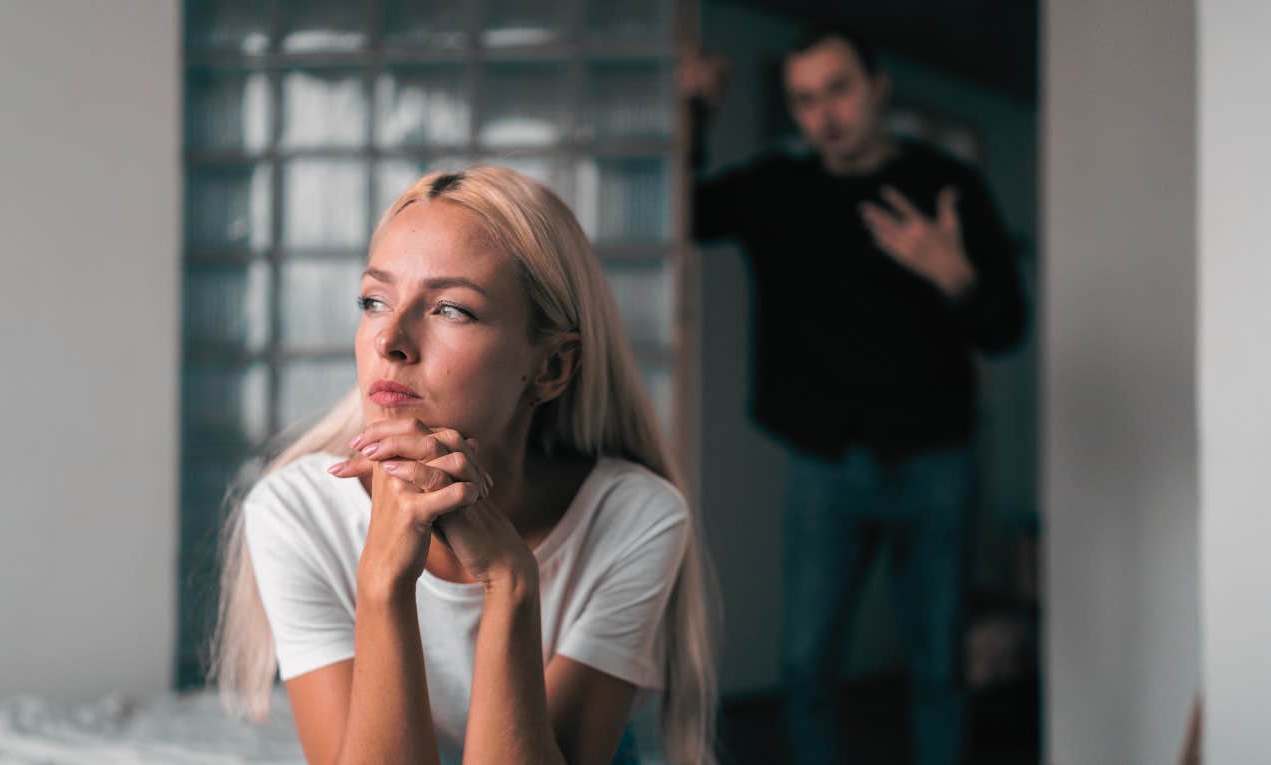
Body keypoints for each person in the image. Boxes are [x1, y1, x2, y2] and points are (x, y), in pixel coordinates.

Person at [208, 166, 719, 765]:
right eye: (375, 300)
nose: (389, 340)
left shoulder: (634, 517)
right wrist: (382, 583)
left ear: (552, 368)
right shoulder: (295, 511)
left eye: (451, 309)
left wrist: (511, 583)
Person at [682, 27, 1027, 765]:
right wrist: (694, 111)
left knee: (939, 667)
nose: (823, 114)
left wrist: (953, 273)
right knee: (807, 667)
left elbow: (1008, 329)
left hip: (938, 460)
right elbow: (681, 212)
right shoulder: (777, 188)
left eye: (837, 89)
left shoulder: (948, 184)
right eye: (804, 100)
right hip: (825, 465)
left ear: (878, 88)